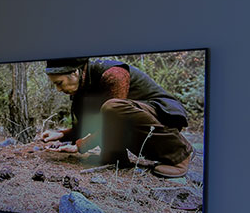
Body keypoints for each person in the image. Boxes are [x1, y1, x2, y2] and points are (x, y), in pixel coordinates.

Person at [41, 57, 193, 178]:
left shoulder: (113, 74)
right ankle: (115, 157)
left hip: (164, 115)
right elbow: (88, 125)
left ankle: (179, 154)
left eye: (59, 83)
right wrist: (61, 134)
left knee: (112, 108)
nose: (58, 89)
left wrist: (81, 146)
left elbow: (113, 116)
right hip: (140, 119)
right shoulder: (83, 85)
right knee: (108, 112)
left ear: (74, 72)